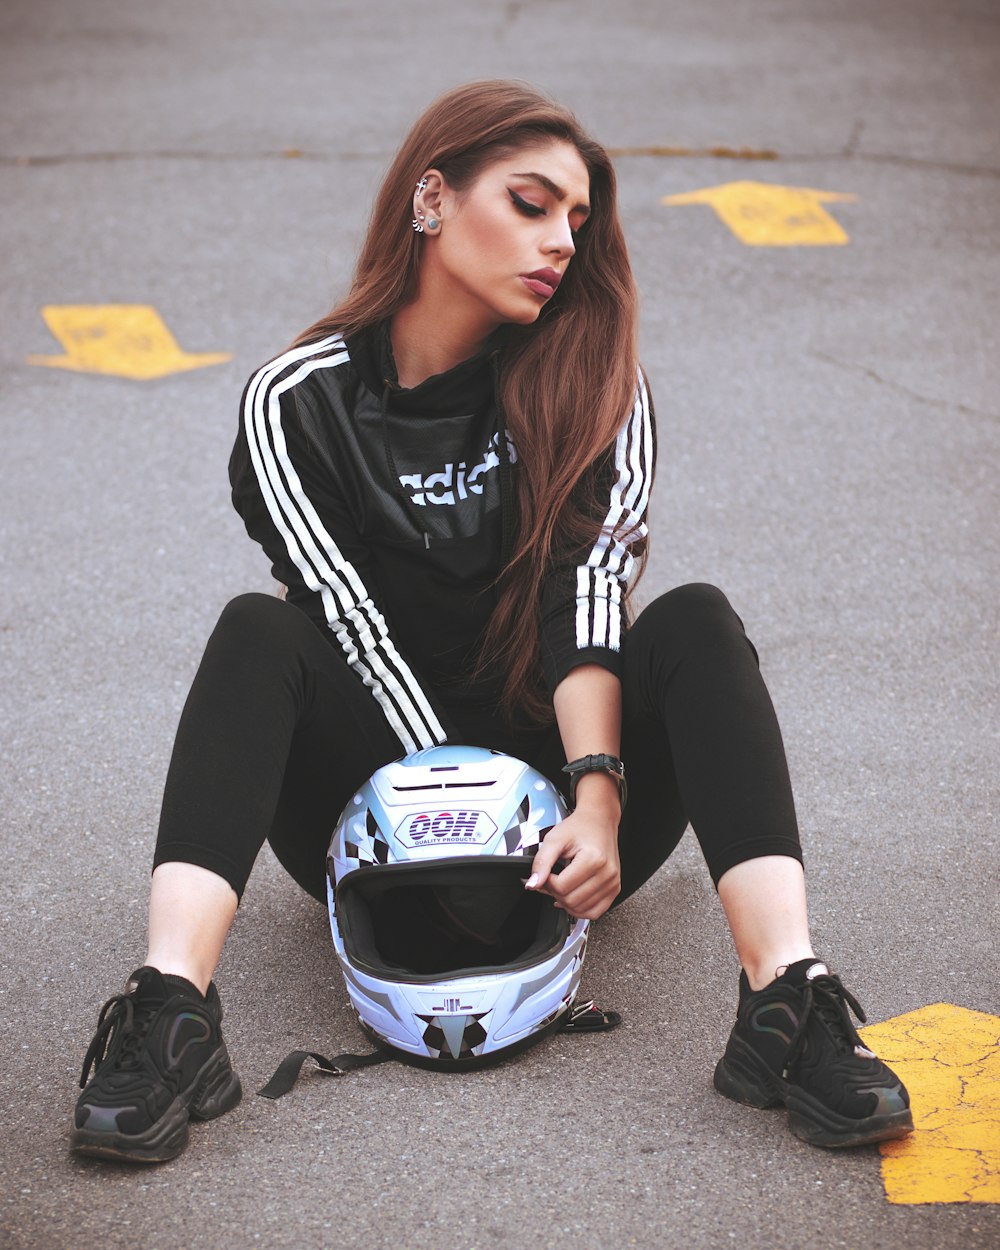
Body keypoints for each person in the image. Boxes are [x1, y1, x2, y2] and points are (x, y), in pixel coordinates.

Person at [71, 79, 913, 1163]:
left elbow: (590, 591)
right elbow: (347, 616)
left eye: (576, 219)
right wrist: (460, 819)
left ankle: (786, 999)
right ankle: (168, 1011)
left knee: (696, 619)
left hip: (565, 791)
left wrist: (596, 797)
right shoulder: (298, 397)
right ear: (431, 199)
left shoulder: (597, 381)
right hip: (365, 787)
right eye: (530, 202)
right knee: (256, 629)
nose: (562, 240)